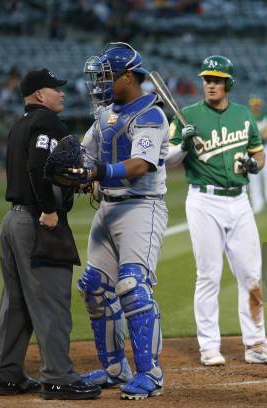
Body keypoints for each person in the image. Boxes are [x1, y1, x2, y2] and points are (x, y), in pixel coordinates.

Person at [165, 55, 267, 367]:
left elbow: (259, 157)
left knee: (251, 276)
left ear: (228, 83)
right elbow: (167, 160)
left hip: (240, 201)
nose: (211, 84)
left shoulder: (244, 116)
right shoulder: (187, 115)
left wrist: (252, 165)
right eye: (207, 79)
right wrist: (184, 145)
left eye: (217, 80)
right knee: (208, 275)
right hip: (204, 202)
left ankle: (257, 344)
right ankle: (208, 346)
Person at [0, 68, 101, 400]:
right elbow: (38, 167)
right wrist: (50, 209)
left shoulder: (19, 125)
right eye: (56, 89)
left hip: (13, 221)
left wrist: (70, 184)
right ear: (39, 95)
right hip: (37, 222)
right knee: (52, 302)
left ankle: (8, 376)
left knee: (17, 304)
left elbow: (39, 169)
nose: (62, 93)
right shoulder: (47, 123)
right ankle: (57, 378)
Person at [76, 42, 169, 400]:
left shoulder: (151, 114)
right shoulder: (103, 115)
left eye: (107, 75)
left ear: (128, 76)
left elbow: (140, 165)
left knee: (132, 286)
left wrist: (98, 171)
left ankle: (151, 373)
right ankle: (115, 368)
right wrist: (77, 171)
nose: (100, 82)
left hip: (140, 207)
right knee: (94, 286)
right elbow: (85, 155)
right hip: (108, 208)